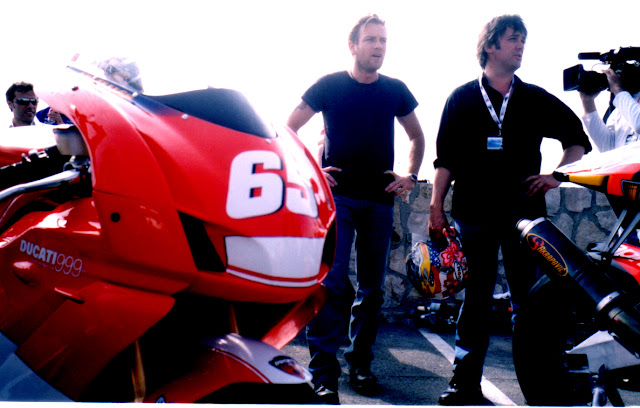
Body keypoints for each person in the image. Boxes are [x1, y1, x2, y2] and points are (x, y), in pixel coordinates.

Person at [428, 15, 592, 406]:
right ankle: (464, 385)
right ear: (490, 45)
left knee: (529, 304)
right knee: (476, 301)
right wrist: (435, 206)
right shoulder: (461, 98)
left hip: (524, 218)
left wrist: (555, 176)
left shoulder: (534, 98)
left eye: (523, 40)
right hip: (474, 215)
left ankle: (539, 388)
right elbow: (445, 161)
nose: (520, 46)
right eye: (513, 39)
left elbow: (577, 142)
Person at [286, 13, 425, 404]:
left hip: (379, 201)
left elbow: (417, 136)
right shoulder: (329, 86)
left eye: (383, 40)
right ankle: (323, 374)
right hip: (339, 200)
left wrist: (411, 176)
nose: (378, 46)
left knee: (372, 290)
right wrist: (311, 170)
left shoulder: (395, 90)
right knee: (331, 285)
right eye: (371, 40)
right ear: (353, 46)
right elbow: (288, 129)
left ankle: (360, 364)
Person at [580, 69, 640, 151]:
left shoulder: (623, 100)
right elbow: (607, 148)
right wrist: (587, 101)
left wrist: (618, 89)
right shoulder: (622, 108)